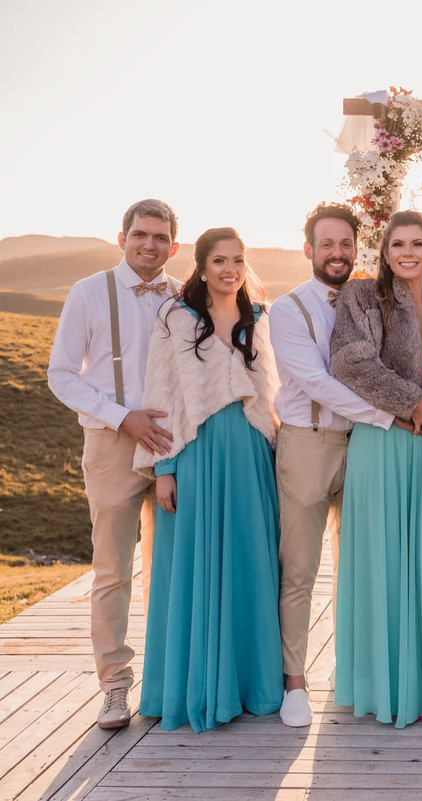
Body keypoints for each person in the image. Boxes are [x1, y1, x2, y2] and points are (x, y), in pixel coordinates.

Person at [131, 227, 283, 733]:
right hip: (195, 456)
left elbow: (272, 393)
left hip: (250, 454)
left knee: (250, 565)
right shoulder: (176, 318)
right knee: (193, 569)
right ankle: (192, 687)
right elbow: (162, 395)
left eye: (238, 260)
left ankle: (251, 686)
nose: (230, 269)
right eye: (219, 260)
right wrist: (165, 470)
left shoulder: (259, 317)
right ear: (200, 266)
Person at [47, 199, 181, 730]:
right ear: (121, 236)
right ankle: (114, 686)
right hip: (112, 444)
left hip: (175, 445)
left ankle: (173, 678)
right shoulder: (88, 292)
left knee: (176, 566)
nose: (150, 244)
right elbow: (61, 375)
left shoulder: (183, 295)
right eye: (140, 234)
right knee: (112, 570)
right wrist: (122, 417)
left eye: (160, 236)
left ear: (176, 241)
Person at [269, 203, 404, 727]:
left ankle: (357, 675)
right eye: (327, 244)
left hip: (366, 445)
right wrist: (390, 412)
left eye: (346, 244)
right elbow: (317, 381)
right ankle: (295, 682)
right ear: (309, 250)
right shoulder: (289, 309)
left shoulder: (371, 300)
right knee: (300, 568)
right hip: (309, 442)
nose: (337, 253)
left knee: (362, 566)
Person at [329, 210, 422, 728]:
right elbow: (350, 362)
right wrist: (412, 403)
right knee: (383, 558)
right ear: (385, 253)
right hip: (383, 441)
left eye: (418, 244)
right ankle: (383, 687)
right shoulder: (361, 297)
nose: (407, 252)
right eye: (398, 244)